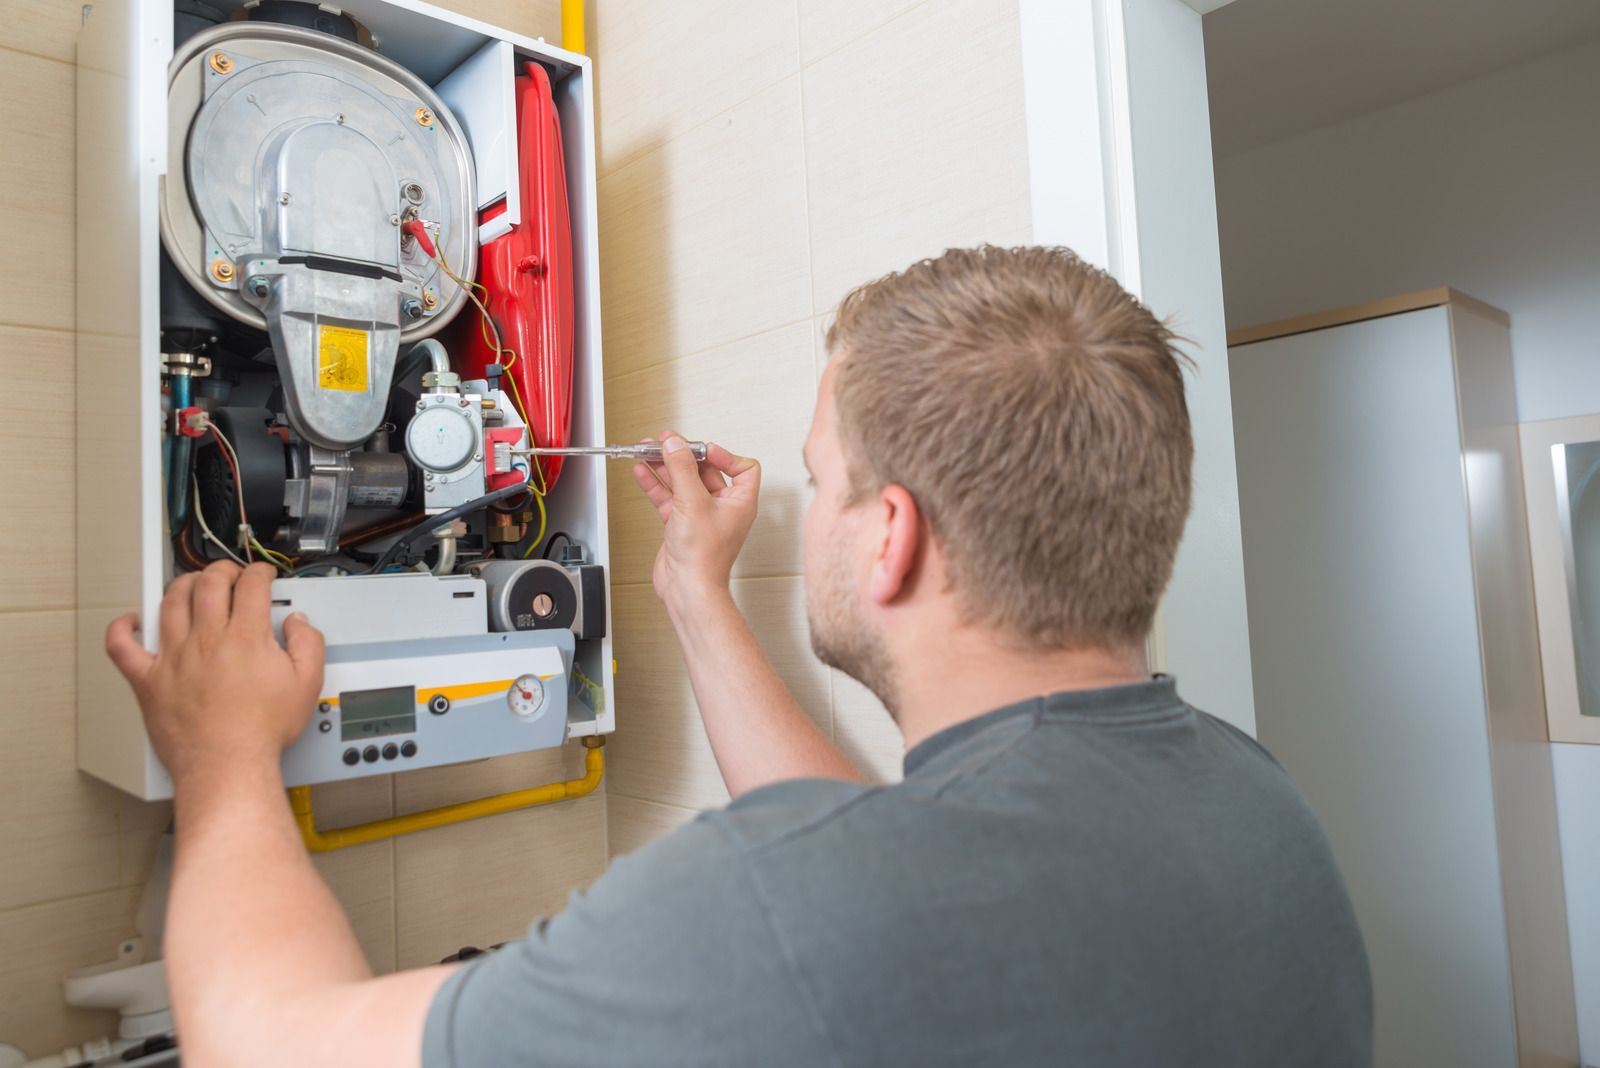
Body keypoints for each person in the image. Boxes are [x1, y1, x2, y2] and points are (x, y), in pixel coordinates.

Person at [107, 245, 1372, 1067]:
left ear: (890, 539)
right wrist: (693, 591)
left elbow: (264, 1042)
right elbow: (875, 859)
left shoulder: (777, 915)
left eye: (822, 481)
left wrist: (221, 755)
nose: (806, 502)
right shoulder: (1255, 803)